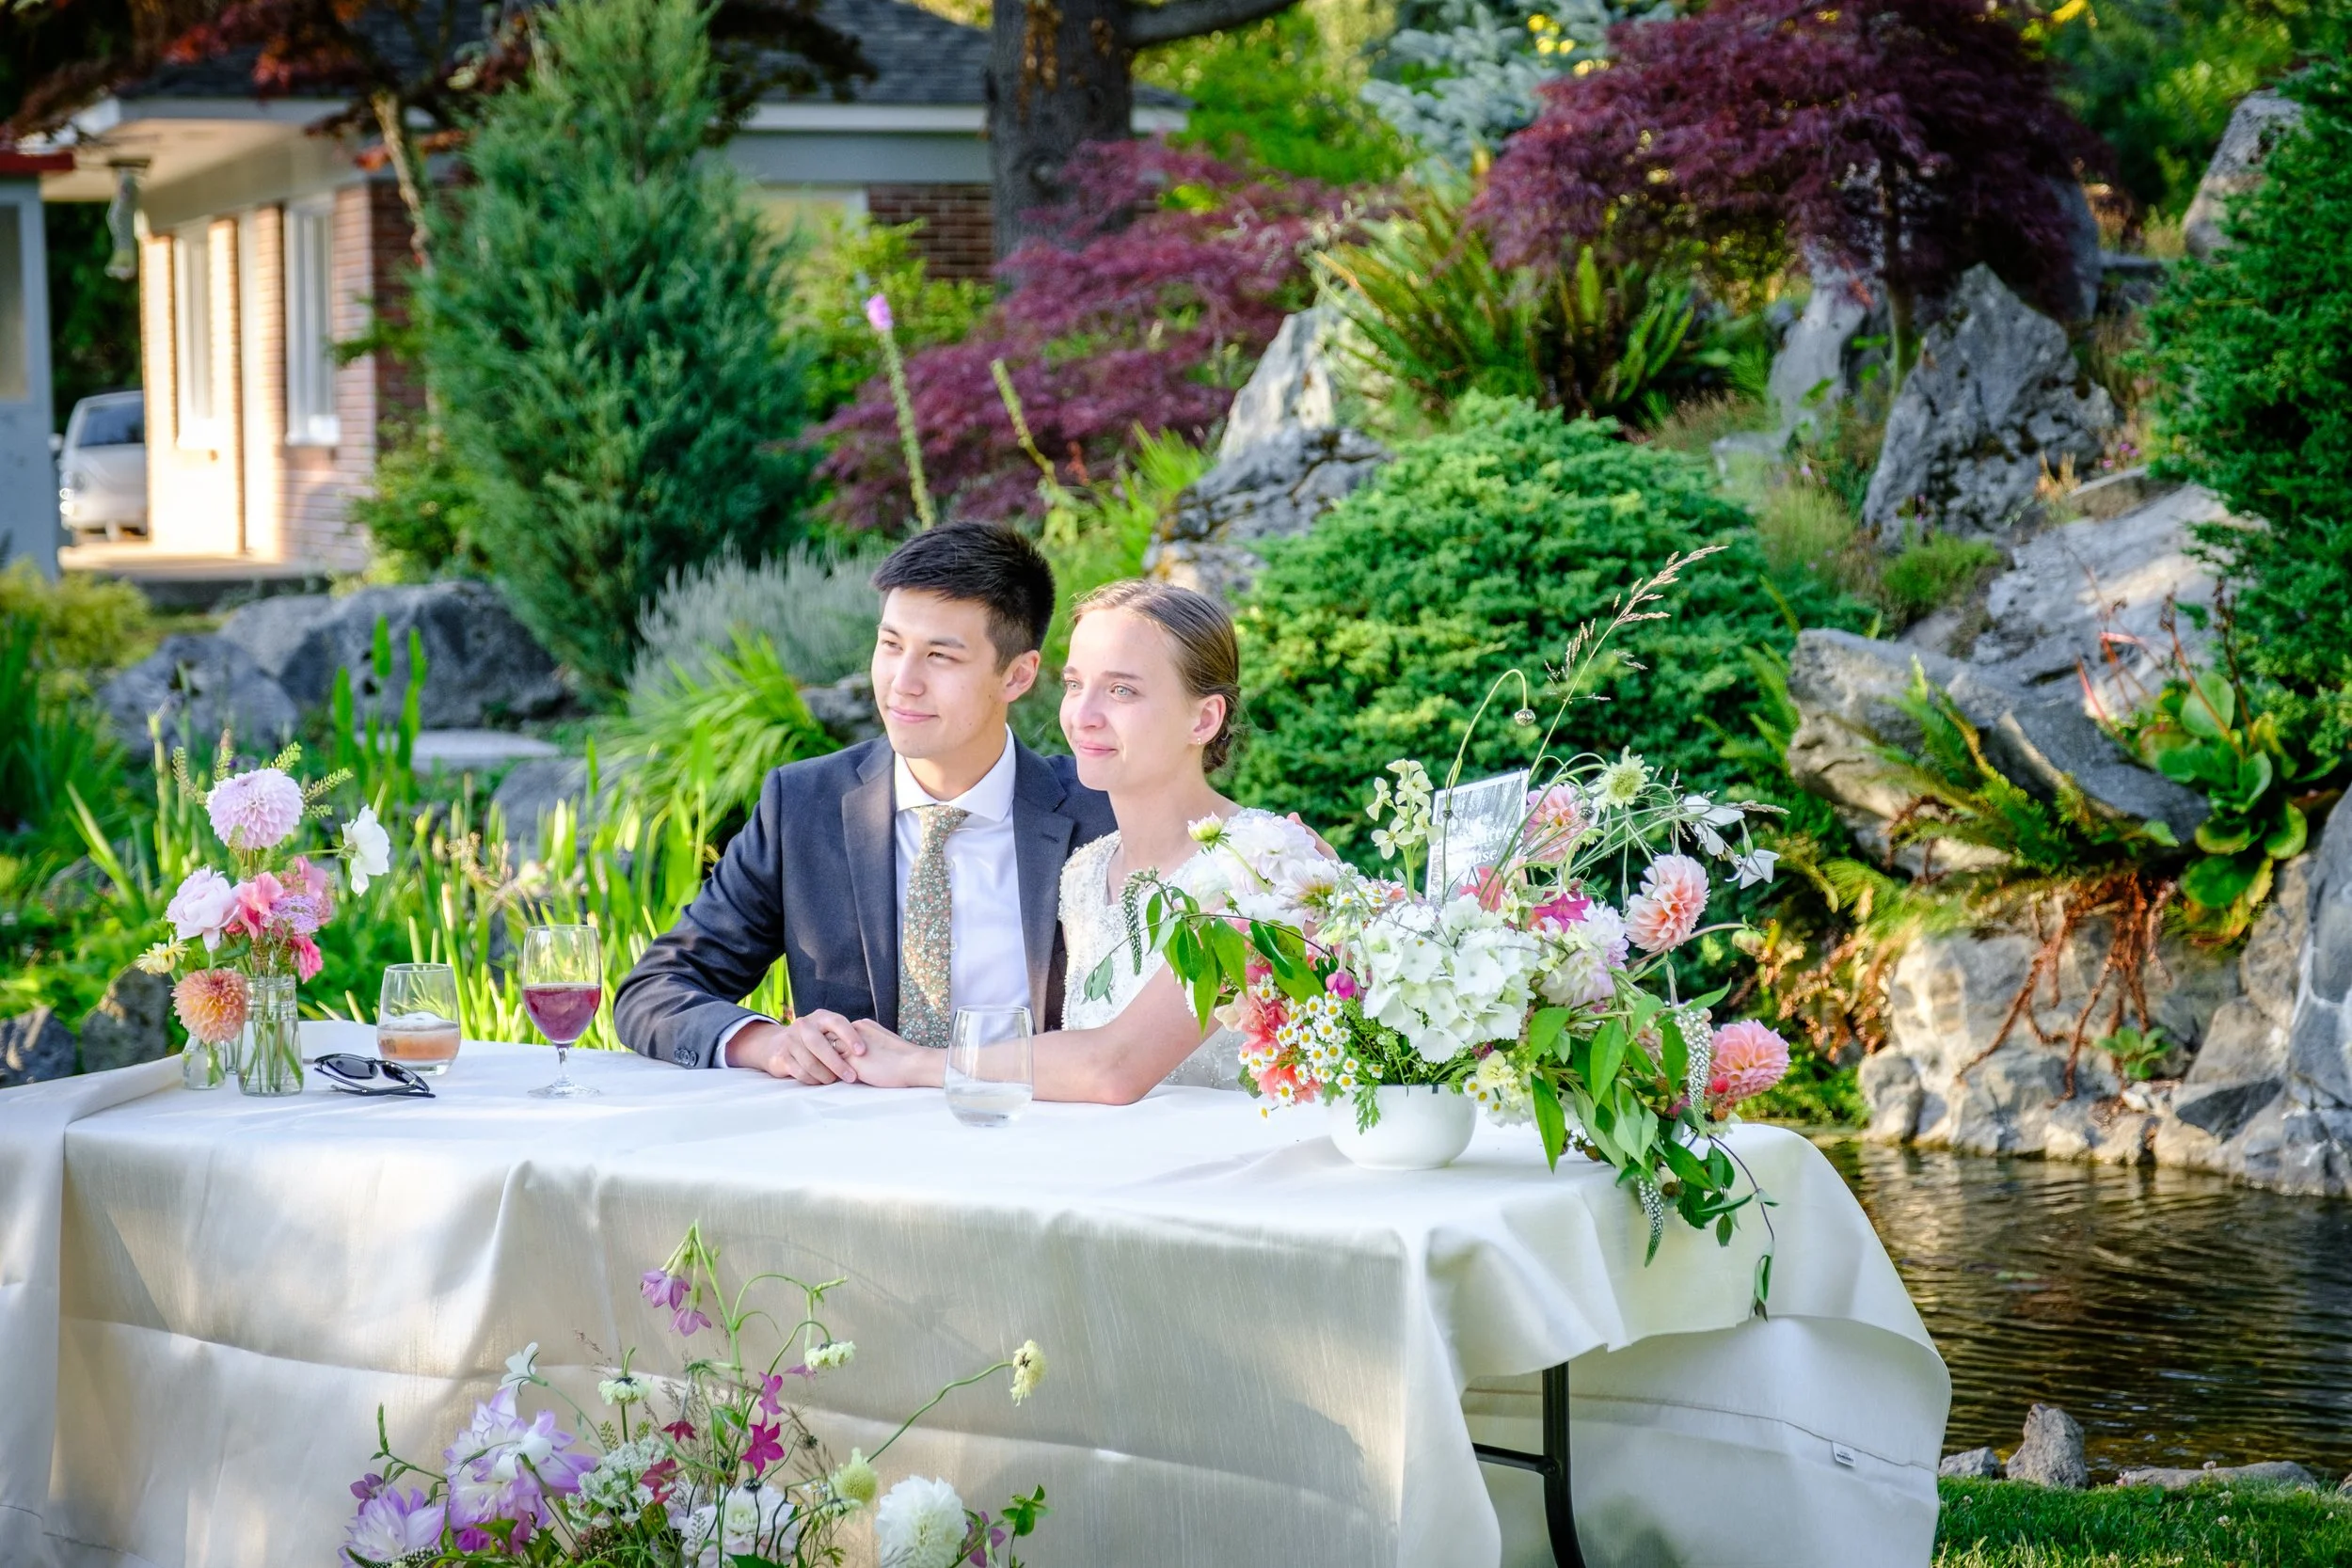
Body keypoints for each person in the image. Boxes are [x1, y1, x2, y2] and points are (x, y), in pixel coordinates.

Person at [612, 523, 1117, 1080]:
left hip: (1039, 1142)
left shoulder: (1103, 813)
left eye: (940, 657)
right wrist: (769, 1043)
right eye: (891, 644)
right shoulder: (803, 806)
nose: (903, 682)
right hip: (846, 1153)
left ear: (1018, 676)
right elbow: (654, 991)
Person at [844, 578, 1313, 1103]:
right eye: (1073, 685)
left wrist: (915, 1063)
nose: (1082, 716)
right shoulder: (1086, 872)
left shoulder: (1260, 866)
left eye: (1122, 691)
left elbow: (1116, 1066)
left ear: (1203, 719)